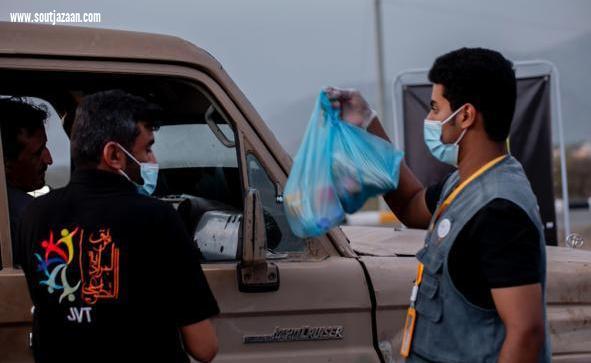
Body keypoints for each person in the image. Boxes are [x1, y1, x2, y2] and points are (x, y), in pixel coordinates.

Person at [327, 47, 549, 363]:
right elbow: (409, 203)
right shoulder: (463, 183)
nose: (429, 120)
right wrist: (366, 123)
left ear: (466, 116)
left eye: (435, 108)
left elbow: (526, 333)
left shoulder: (500, 210)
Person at [19, 90, 219, 363]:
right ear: (114, 154)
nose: (153, 161)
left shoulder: (34, 215)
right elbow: (204, 347)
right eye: (147, 149)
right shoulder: (158, 219)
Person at [0, 98, 53, 266]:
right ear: (6, 164)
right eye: (37, 153)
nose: (49, 159)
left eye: (46, 146)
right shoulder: (27, 214)